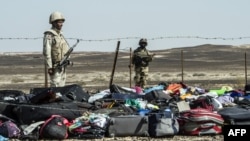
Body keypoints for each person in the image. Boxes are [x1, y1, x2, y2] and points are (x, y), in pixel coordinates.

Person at [43, 11, 69, 87]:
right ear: (53, 23)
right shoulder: (49, 34)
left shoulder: (61, 35)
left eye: (62, 22)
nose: (61, 24)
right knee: (55, 86)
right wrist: (49, 67)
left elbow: (65, 49)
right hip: (55, 67)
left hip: (63, 66)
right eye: (59, 22)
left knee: (62, 88)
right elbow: (47, 52)